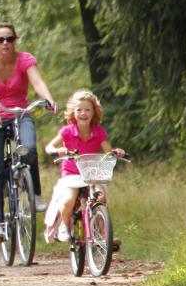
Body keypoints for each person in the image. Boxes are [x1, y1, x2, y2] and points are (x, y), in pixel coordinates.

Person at [0, 22, 59, 241]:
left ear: (15, 40)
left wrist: (48, 99)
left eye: (10, 39)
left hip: (20, 113)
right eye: (0, 40)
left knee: (29, 148)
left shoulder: (25, 60)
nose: (5, 43)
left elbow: (37, 82)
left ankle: (35, 193)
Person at [42, 90, 125, 242]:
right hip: (71, 174)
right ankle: (65, 227)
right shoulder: (67, 132)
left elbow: (108, 152)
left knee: (101, 198)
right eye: (79, 109)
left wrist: (116, 152)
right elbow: (49, 147)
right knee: (68, 200)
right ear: (73, 112)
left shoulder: (99, 133)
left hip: (92, 173)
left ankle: (102, 234)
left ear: (94, 112)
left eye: (87, 109)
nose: (83, 113)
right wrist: (57, 150)